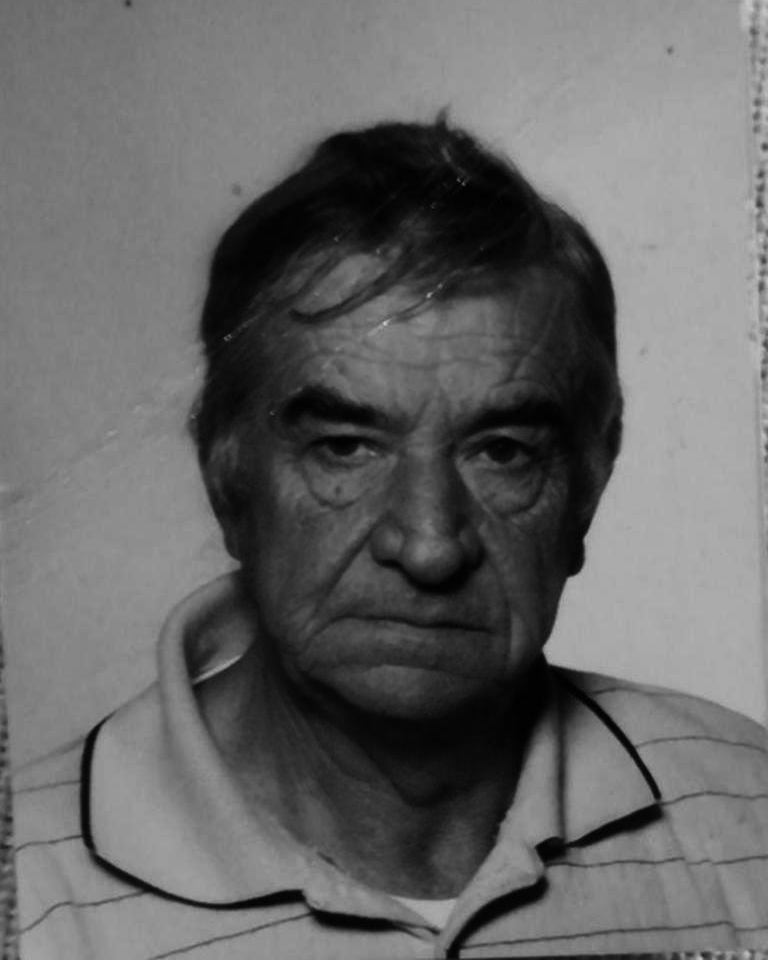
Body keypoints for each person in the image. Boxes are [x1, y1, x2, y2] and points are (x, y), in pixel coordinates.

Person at [14, 116, 768, 959]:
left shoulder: (750, 814)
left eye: (502, 451)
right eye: (346, 447)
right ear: (226, 478)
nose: (429, 546)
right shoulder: (30, 896)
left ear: (589, 485)